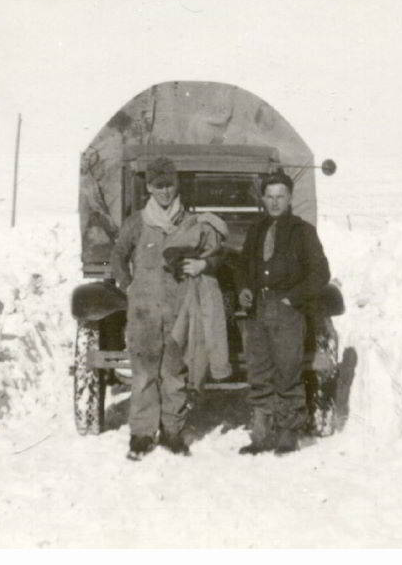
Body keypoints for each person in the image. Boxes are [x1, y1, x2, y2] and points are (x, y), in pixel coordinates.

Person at [110, 156, 221, 460]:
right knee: (144, 373)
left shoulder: (189, 221)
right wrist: (126, 283)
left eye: (169, 185)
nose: (164, 192)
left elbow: (213, 253)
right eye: (158, 186)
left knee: (174, 372)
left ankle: (173, 431)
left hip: (178, 311)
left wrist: (203, 264)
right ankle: (143, 434)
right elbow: (118, 254)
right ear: (148, 187)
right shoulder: (136, 223)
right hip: (143, 313)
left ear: (176, 185)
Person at [236, 170, 330, 456]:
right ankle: (261, 435)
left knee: (287, 371)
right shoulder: (255, 230)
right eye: (270, 196)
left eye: (281, 196)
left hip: (287, 311)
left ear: (289, 198)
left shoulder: (303, 231)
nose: (275, 202)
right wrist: (244, 289)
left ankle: (288, 432)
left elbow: (321, 273)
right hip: (258, 310)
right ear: (263, 199)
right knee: (259, 370)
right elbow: (242, 266)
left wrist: (293, 299)